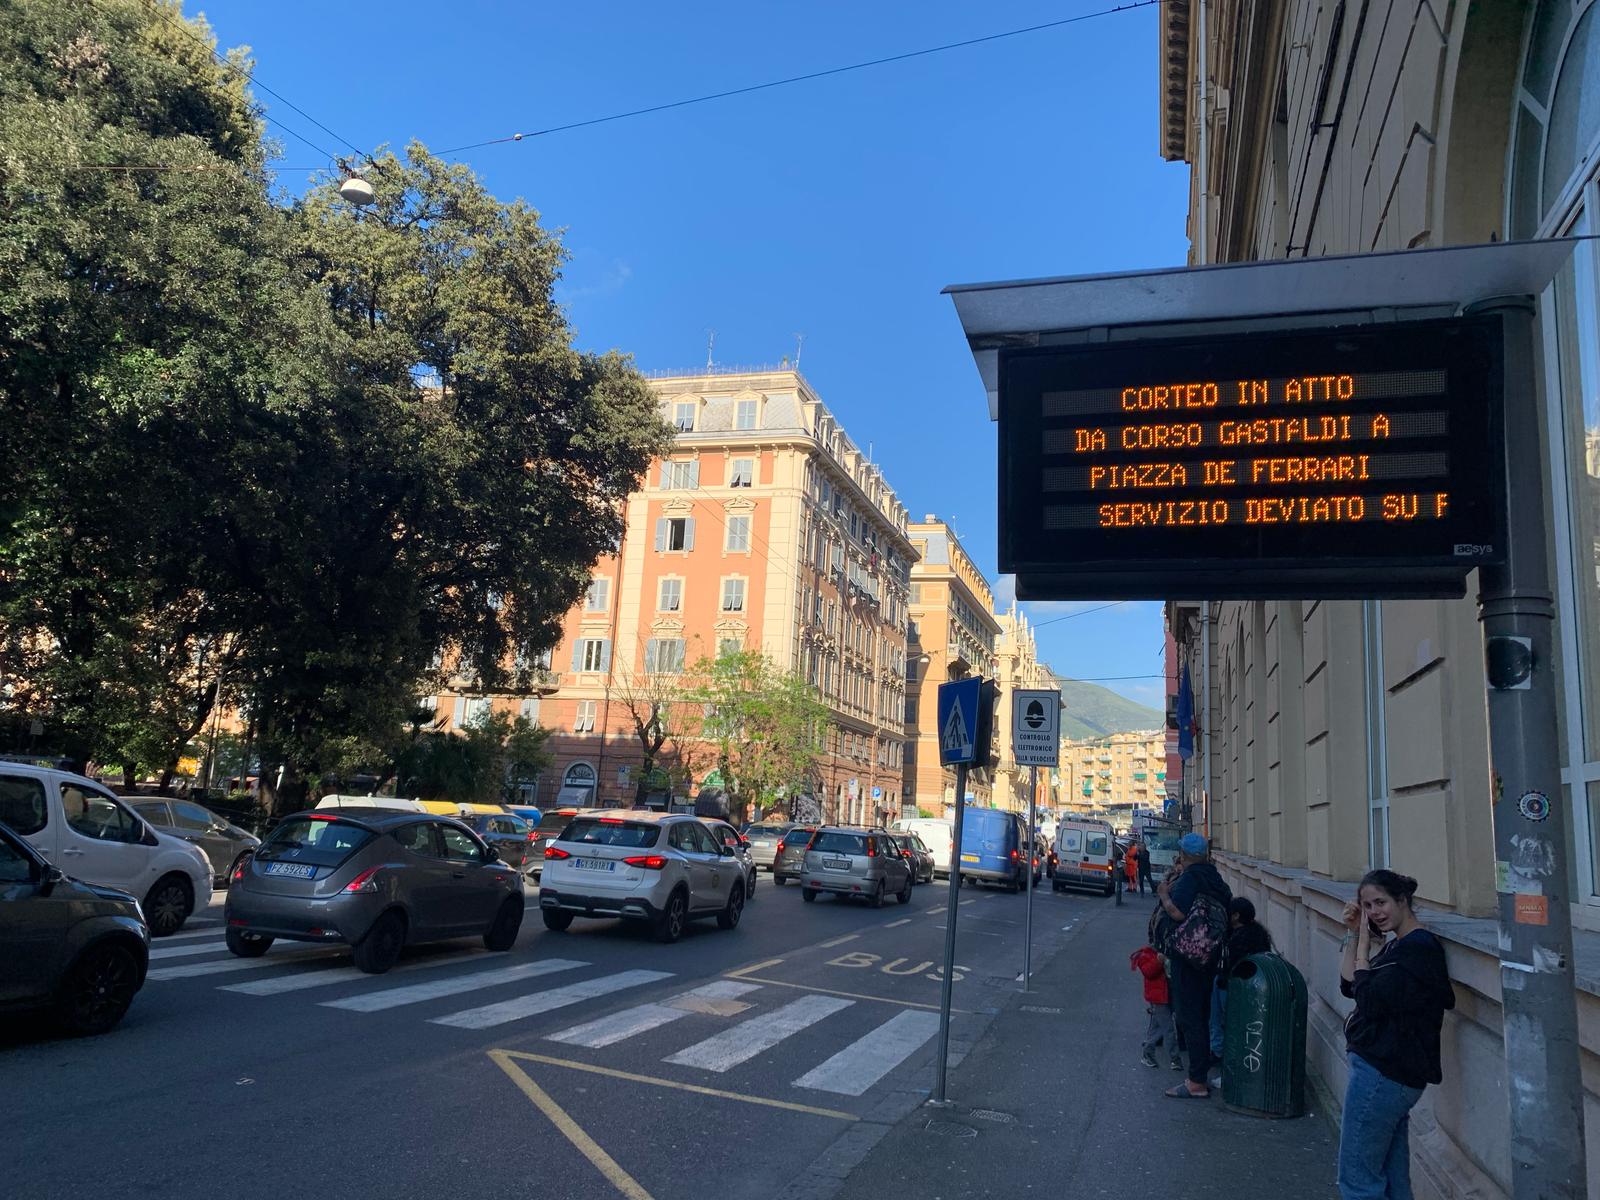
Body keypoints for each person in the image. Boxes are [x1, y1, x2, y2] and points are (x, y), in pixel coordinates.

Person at [1337, 869, 1455, 1200]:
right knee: (1391, 1175)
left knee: (1358, 1178)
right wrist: (1353, 934)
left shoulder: (1417, 950)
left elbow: (1370, 1001)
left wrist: (1363, 947)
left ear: (1402, 900)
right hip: (1388, 1073)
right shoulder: (1399, 946)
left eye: (1381, 902)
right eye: (1367, 906)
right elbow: (1350, 986)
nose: (1375, 912)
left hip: (1384, 1073)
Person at [1157, 831, 1231, 1098]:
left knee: (1190, 1018)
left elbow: (1177, 912)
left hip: (1188, 957)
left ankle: (1196, 1081)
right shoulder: (1216, 879)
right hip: (1209, 957)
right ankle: (1200, 1074)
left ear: (1186, 855)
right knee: (1202, 1013)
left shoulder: (1190, 878)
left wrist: (1165, 894)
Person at [1209, 896, 1274, 1073]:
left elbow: (1230, 964)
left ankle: (1220, 1053)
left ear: (1236, 915)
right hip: (1245, 988)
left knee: (1221, 1020)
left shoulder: (1237, 938)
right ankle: (1223, 1053)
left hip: (1230, 985)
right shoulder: (1257, 934)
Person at [1130, 943, 1182, 1070]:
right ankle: (1175, 1059)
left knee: (1157, 1026)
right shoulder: (1146, 955)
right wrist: (1159, 961)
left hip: (1166, 994)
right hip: (1159, 997)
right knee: (1168, 1028)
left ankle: (1148, 1054)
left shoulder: (1163, 951)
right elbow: (1148, 972)